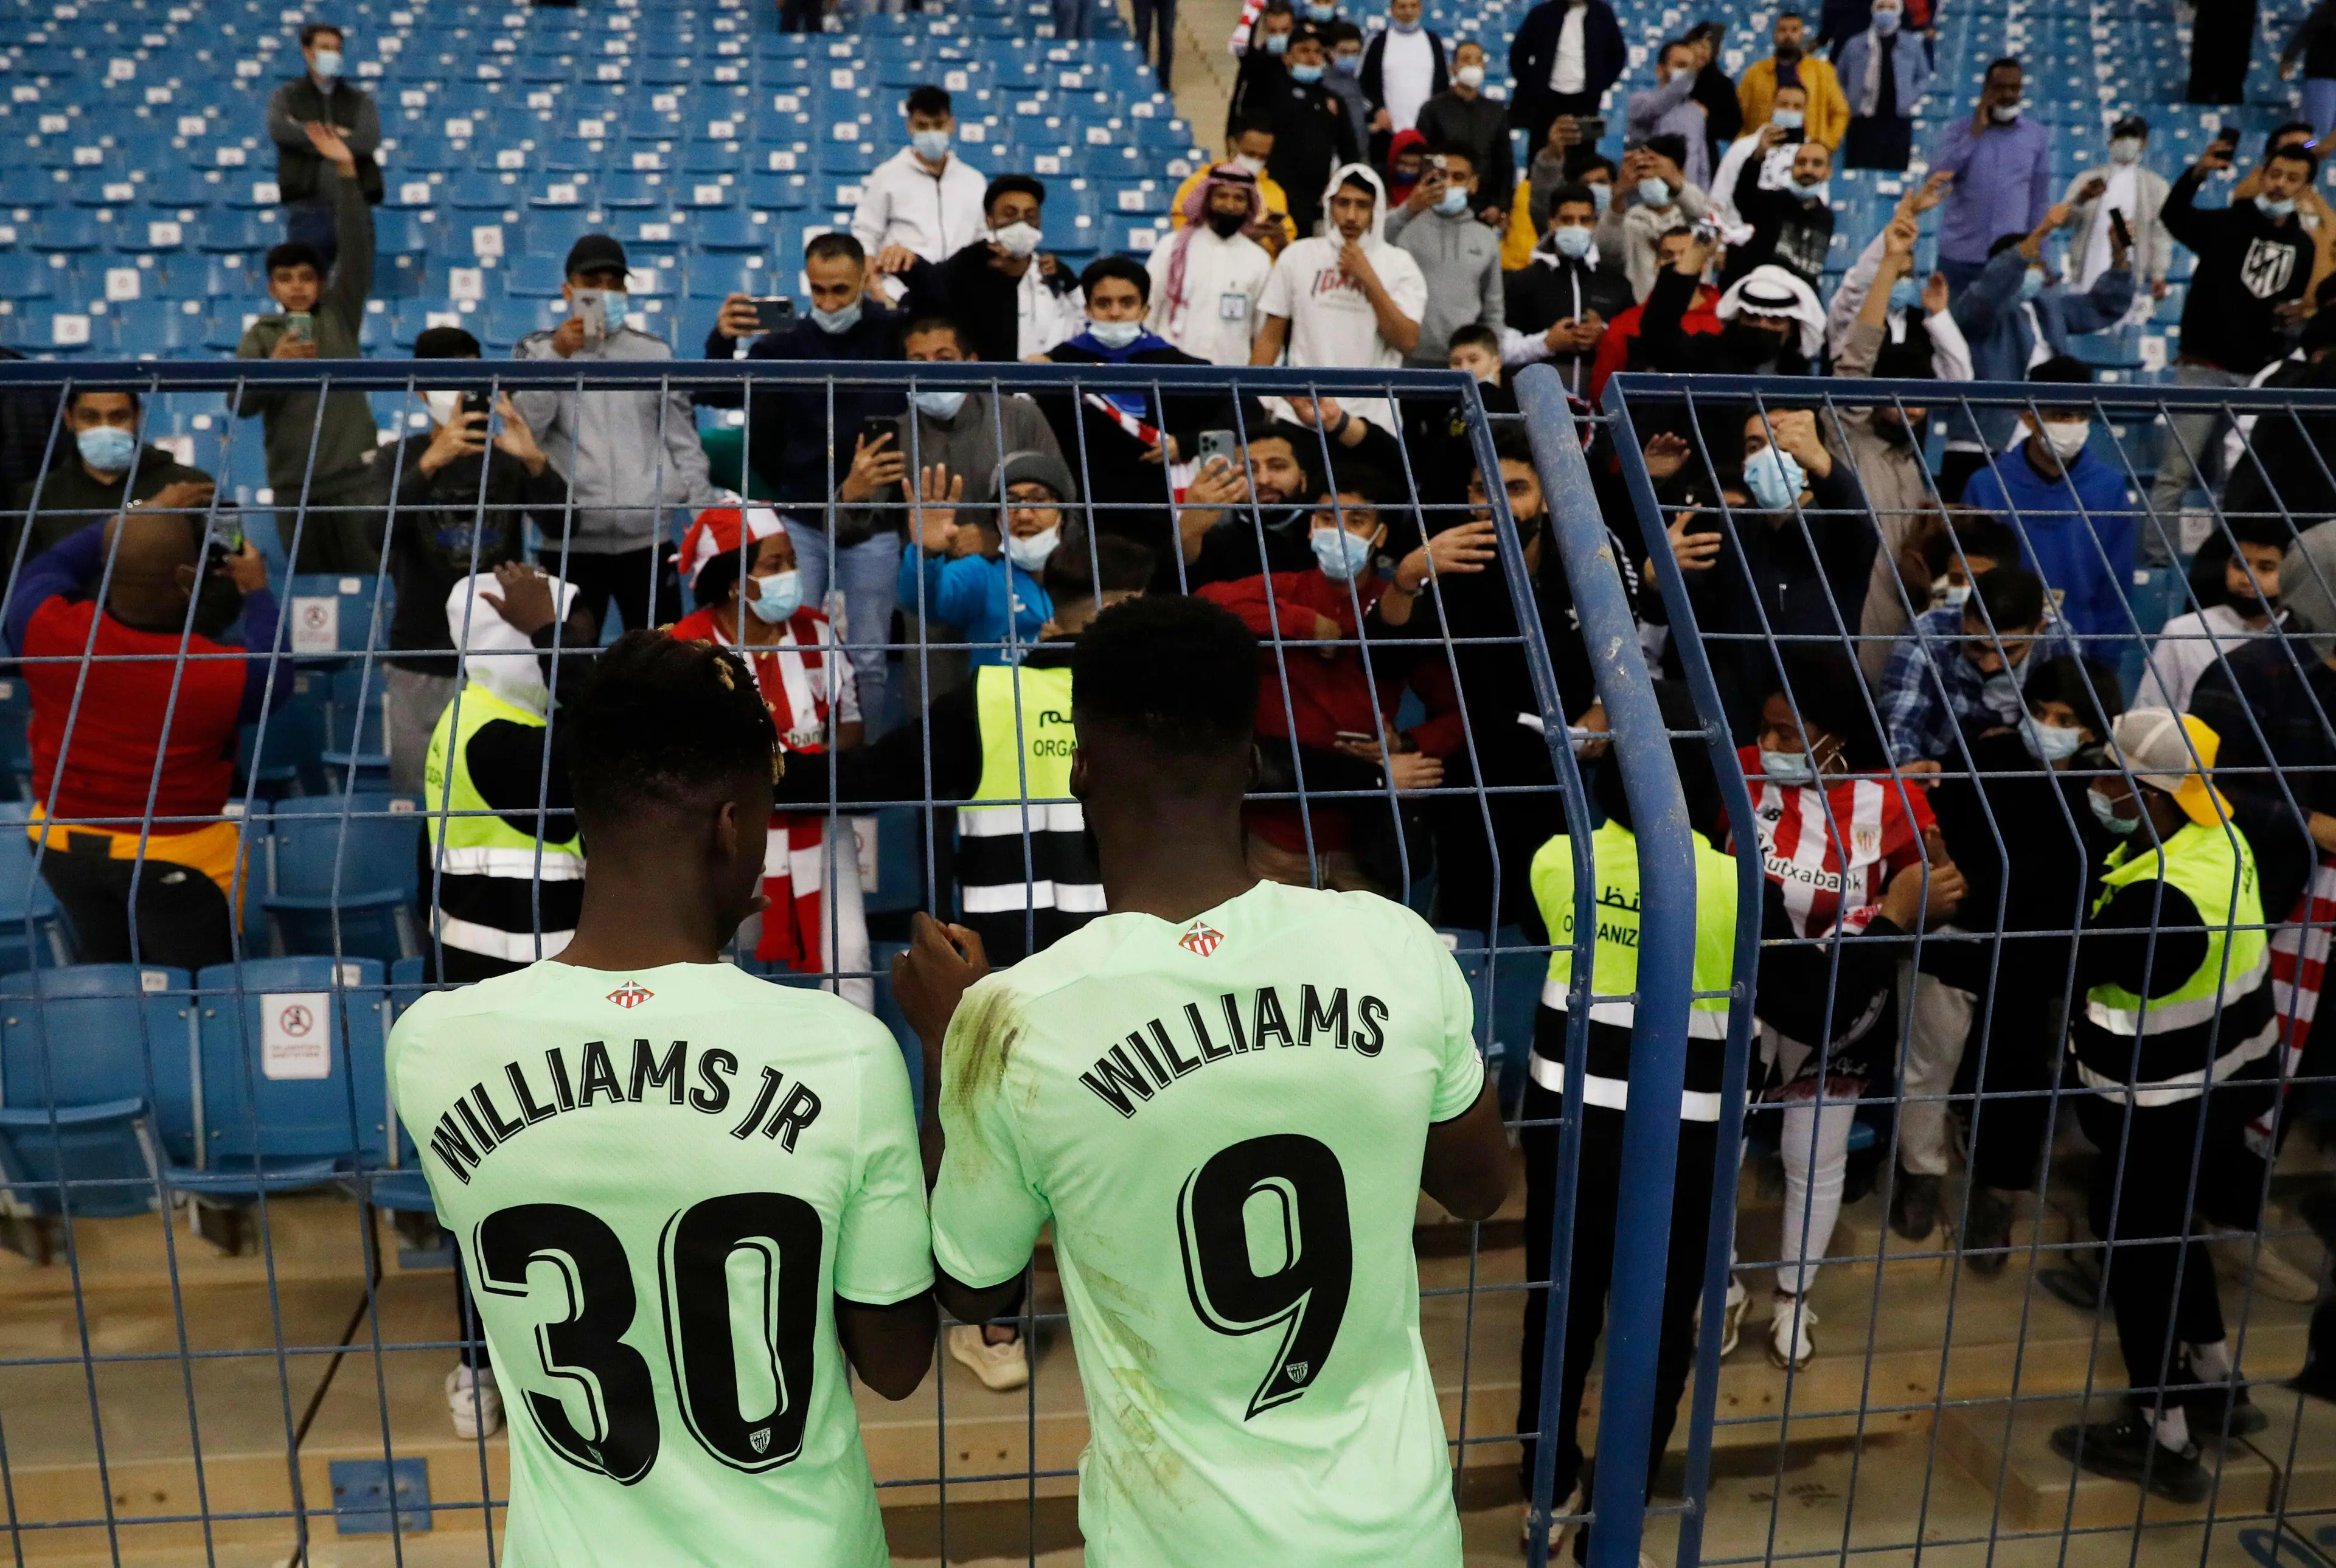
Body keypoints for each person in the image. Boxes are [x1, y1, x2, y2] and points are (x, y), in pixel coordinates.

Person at [899, 592, 1510, 1567]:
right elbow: (1481, 1187)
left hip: (1177, 1543)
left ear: (1079, 769)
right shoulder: (1387, 940)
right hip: (1400, 1533)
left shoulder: (1021, 1018)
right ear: (1253, 759)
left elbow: (974, 1291)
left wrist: (950, 1047)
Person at [388, 631, 937, 1566]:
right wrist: (946, 1062)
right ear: (733, 826)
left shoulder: (433, 1046)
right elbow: (894, 1362)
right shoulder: (844, 1051)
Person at [1517, 681, 1735, 1559]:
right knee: (1662, 1317)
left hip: (1567, 1121)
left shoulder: (1555, 859)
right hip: (1682, 1130)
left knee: (1559, 1304)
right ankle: (1621, 1507)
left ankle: (1547, 1484)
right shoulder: (1728, 882)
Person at [2048, 710, 2279, 1502]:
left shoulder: (2164, 898)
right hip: (2228, 1078)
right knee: (2175, 1228)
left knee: (2138, 1249)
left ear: (2154, 794)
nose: (2096, 785)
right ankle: (2215, 1377)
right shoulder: (2217, 842)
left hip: (2164, 1100)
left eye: (2111, 774)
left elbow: (2070, 965)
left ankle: (2163, 1429)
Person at [1739, 650, 1961, 1366]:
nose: (1769, 748)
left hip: (1843, 999)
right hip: (1750, 993)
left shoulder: (1891, 799)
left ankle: (1791, 1301)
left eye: (1787, 734)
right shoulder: (1737, 772)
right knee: (1714, 1153)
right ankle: (1716, 1291)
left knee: (1816, 1156)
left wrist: (1917, 896)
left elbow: (1938, 886)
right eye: (1765, 730)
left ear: (1837, 735)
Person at [1908, 654, 2122, 1258]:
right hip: (1960, 937)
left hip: (2039, 957)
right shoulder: (1984, 760)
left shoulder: (2102, 789)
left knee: (2020, 1076)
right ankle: (1920, 1172)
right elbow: (1936, 834)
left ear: (2090, 732)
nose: (2046, 724)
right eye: (2038, 710)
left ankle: (1999, 1194)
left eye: (2064, 718)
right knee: (1927, 1063)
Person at [8, 504, 282, 971]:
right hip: (172, 855)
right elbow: (278, 668)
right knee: (200, 992)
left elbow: (48, 567)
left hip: (62, 845)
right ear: (185, 577)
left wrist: (135, 515)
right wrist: (256, 591)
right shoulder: (217, 672)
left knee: (116, 976)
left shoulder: (42, 625)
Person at [1196, 470, 1458, 886]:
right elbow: (1205, 603)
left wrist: (1408, 743)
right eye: (1326, 518)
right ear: (1310, 529)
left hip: (1365, 838)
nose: (1338, 531)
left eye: (1356, 521)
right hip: (1276, 835)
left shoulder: (1398, 609)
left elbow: (1457, 713)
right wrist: (1301, 622)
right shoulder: (1284, 591)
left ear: (1382, 536)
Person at [668, 507, 869, 1008]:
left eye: (793, 562)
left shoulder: (818, 632)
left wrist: (810, 775)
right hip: (723, 829)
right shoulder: (686, 647)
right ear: (736, 583)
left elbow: (851, 722)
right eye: (775, 565)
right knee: (708, 959)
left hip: (819, 818)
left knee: (852, 955)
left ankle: (855, 1073)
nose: (791, 576)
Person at [701, 234, 906, 721]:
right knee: (787, 646)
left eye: (841, 290)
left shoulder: (892, 332)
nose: (829, 302)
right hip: (800, 521)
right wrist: (722, 339)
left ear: (864, 279)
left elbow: (949, 325)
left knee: (871, 658)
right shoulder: (784, 343)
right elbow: (717, 392)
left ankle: (862, 774)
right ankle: (794, 756)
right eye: (819, 291)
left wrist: (908, 280)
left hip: (872, 520)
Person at [380, 327, 569, 799]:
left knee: (509, 794)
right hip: (421, 653)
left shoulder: (505, 459)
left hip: (502, 654)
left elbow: (567, 529)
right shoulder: (397, 458)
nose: (461, 390)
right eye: (447, 379)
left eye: (471, 376)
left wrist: (535, 461)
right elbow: (373, 538)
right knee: (421, 795)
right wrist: (428, 465)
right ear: (420, 390)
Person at [512, 235, 719, 637]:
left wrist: (704, 518)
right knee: (564, 668)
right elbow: (524, 432)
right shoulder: (536, 352)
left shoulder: (654, 354)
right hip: (569, 543)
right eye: (593, 281)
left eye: (615, 283)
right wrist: (557, 357)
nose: (604, 292)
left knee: (663, 663)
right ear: (568, 290)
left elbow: (683, 443)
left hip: (650, 543)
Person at [422, 566, 597, 981]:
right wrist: (548, 633)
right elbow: (609, 737)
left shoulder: (474, 713)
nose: (583, 653)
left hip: (497, 965)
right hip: (508, 975)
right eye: (567, 641)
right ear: (519, 644)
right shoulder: (497, 738)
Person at [2147, 136, 2320, 541]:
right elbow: (2173, 215)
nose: (2280, 184)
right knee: (2176, 474)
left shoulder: (2304, 246)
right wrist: (2198, 174)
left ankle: (2225, 568)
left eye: (2292, 178)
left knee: (2242, 482)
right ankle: (2155, 569)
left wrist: (2290, 319)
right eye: (2274, 174)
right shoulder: (2226, 223)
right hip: (2203, 368)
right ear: (2261, 175)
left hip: (2259, 378)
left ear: (2305, 189)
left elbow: (2284, 302)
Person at [1669, 399, 1875, 737]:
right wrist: (1658, 577)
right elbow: (1677, 613)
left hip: (1817, 729)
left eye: (1783, 443)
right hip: (1738, 728)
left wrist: (1827, 465)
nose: (1768, 456)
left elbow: (1860, 524)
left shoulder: (1840, 533)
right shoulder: (1728, 530)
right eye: (1755, 446)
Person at [231, 139, 380, 575]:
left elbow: (357, 249)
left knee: (373, 582)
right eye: (285, 279)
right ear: (271, 289)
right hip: (294, 489)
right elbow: (239, 405)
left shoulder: (340, 314)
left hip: (356, 483)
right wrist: (272, 368)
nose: (297, 286)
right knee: (311, 597)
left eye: (306, 277)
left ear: (320, 283)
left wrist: (348, 175)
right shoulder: (260, 337)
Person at [1037, 259, 1230, 549]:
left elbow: (1244, 407)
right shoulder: (1057, 362)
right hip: (1081, 513)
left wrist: (1187, 444)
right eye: (1104, 303)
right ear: (1088, 309)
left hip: (1155, 514)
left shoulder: (1177, 364)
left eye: (1127, 303)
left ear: (1145, 310)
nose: (1115, 313)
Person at [1939, 212, 2133, 498]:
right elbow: (1989, 293)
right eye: (2027, 262)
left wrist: (2119, 258)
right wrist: (2040, 233)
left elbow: (2103, 306)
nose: (2036, 270)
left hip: (2042, 444)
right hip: (1985, 444)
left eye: (2039, 263)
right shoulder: (1976, 309)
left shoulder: (2048, 308)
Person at [1960, 359, 2142, 647]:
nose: (2072, 426)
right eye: (2061, 416)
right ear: (2028, 417)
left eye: (2080, 416)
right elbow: (1967, 582)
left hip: (2080, 654)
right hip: (1998, 649)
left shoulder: (2110, 488)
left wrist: (2105, 660)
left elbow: (2116, 586)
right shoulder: (1986, 486)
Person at [1252, 165, 1428, 435]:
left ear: (1376, 211)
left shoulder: (1399, 265)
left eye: (1362, 206)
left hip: (1372, 423)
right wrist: (1252, 403)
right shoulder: (1298, 256)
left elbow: (1407, 341)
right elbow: (1270, 338)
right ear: (1329, 205)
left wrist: (1370, 280)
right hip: (1301, 417)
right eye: (1343, 204)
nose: (1351, 216)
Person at [1876, 563, 2076, 768]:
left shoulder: (2058, 642)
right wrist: (1912, 767)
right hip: (1937, 764)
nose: (1989, 665)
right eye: (1976, 645)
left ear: (2038, 630)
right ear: (1964, 615)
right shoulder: (1927, 635)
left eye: (2007, 652)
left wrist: (2019, 738)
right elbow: (1899, 721)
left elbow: (2071, 721)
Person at [899, 449, 1071, 667]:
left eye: (1039, 499)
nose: (1024, 514)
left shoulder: (1090, 571)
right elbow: (922, 603)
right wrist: (926, 554)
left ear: (1063, 514)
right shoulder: (982, 574)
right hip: (1000, 701)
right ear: (997, 518)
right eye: (1010, 502)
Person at [4, 389, 214, 569]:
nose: (105, 428)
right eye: (90, 417)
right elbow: (25, 580)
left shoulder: (191, 484)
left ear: (137, 416)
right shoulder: (39, 496)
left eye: (118, 417)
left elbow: (231, 553)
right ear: (69, 419)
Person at [895, 175, 1083, 366]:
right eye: (1010, 214)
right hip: (983, 391)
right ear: (990, 220)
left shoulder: (1057, 277)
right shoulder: (966, 270)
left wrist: (1069, 282)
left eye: (1030, 215)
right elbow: (930, 290)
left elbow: (1085, 327)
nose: (1021, 223)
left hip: (1044, 390)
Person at [2136, 516, 2290, 713]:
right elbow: (2148, 715)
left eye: (2266, 568)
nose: (2248, 578)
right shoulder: (2184, 632)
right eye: (2239, 565)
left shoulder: (2306, 633)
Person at [266, 20, 381, 270]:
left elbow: (365, 141)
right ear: (308, 52)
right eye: (325, 47)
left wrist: (307, 133)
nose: (332, 54)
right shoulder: (286, 96)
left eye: (336, 49)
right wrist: (335, 137)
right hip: (307, 209)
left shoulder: (360, 100)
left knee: (353, 290)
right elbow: (281, 131)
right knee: (310, 288)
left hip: (354, 209)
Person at [1929, 58, 2051, 293]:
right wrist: (1975, 133)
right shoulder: (1959, 131)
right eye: (2000, 87)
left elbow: (2038, 202)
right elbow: (1937, 179)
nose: (2007, 94)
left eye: (2014, 88)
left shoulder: (2036, 137)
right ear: (1986, 90)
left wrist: (2040, 254)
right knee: (1948, 328)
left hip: (2009, 260)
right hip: (1959, 259)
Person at [1502, 182, 1633, 397]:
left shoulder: (1616, 284)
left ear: (1595, 224)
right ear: (1552, 223)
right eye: (1567, 220)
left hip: (1601, 405)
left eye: (1584, 220)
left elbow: (1634, 347)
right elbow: (1503, 351)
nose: (1576, 227)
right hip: (1538, 401)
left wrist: (1605, 338)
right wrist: (1547, 343)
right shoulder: (1522, 281)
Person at [1385, 145, 1505, 369]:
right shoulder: (1405, 225)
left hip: (1463, 363)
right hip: (1405, 359)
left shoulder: (1486, 238)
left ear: (1473, 184)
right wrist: (1410, 208)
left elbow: (1493, 308)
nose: (1448, 184)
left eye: (1458, 177)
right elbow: (1372, 242)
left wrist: (1495, 361)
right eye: (1442, 176)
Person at [852, 86, 989, 283]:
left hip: (960, 295)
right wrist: (877, 289)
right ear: (910, 127)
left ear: (952, 125)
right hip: (902, 292)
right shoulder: (887, 176)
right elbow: (866, 234)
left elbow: (982, 240)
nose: (931, 133)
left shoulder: (974, 181)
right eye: (923, 126)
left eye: (938, 125)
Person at [1149, 166, 1277, 365]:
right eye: (1222, 196)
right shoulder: (1172, 248)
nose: (1230, 205)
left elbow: (1263, 332)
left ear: (1248, 205)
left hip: (1230, 378)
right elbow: (1149, 311)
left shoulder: (1258, 259)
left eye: (1239, 199)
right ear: (1207, 199)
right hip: (1171, 374)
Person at [1587, 224, 1722, 402]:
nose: (1677, 261)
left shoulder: (1725, 320)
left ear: (1702, 261)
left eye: (1686, 254)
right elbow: (1602, 393)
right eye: (1668, 255)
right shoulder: (1626, 323)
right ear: (1657, 263)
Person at [2063, 117, 2173, 318]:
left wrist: (2158, 274)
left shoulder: (2156, 187)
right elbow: (2063, 221)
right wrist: (2082, 198)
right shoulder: (2088, 179)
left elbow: (2160, 237)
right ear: (2111, 140)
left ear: (2144, 142)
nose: (2126, 141)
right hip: (2086, 271)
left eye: (2133, 136)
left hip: (2129, 276)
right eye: (2121, 136)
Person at [1267, 29, 1359, 239]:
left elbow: (1350, 153)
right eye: (1304, 51)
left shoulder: (1333, 101)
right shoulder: (1272, 94)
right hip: (1277, 196)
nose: (1312, 57)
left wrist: (1341, 189)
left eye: (1317, 51)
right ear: (1287, 57)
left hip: (1317, 201)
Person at [1507, 0, 1627, 159]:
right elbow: (1518, 55)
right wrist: (1534, 86)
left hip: (1586, 101)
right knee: (1541, 155)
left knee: (1582, 160)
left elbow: (1617, 56)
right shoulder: (1541, 14)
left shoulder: (1603, 14)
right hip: (1546, 100)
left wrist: (1598, 85)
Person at [1594, 137, 1710, 300]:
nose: (1653, 178)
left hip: (1691, 311)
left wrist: (1675, 183)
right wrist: (1619, 194)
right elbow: (1606, 251)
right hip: (1640, 313)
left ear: (1681, 173)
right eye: (1646, 170)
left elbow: (1705, 217)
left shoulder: (1692, 217)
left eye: (1660, 171)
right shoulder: (1628, 221)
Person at [1415, 41, 1515, 222]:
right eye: (1466, 59)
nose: (1472, 64)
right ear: (1453, 68)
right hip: (1441, 202)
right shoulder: (1433, 109)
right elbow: (1422, 158)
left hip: (1483, 209)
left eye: (1478, 60)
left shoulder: (1496, 113)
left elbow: (1505, 164)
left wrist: (1500, 205)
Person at [1169, 122, 1299, 254]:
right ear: (1232, 144)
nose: (1256, 161)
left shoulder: (1275, 191)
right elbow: (1183, 237)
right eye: (1250, 154)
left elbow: (1287, 251)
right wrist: (1240, 239)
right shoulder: (1200, 182)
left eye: (1263, 157)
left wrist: (1281, 243)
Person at [1722, 134, 1834, 288]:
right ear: (1792, 168)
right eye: (1801, 163)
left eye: (1817, 164)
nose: (1808, 170)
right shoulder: (1772, 202)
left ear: (1829, 172)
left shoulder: (1827, 218)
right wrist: (1758, 156)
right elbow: (1743, 197)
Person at [1835, 0, 1927, 170]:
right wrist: (1850, 99)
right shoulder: (1854, 44)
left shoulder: (1911, 44)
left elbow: (1923, 77)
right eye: (1881, 7)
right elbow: (1839, 77)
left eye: (1891, 7)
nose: (1886, 11)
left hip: (1898, 121)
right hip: (1862, 120)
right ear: (1873, 10)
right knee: (1859, 167)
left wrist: (1910, 97)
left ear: (1899, 11)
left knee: (1895, 169)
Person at [1737, 12, 1849, 150]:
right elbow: (1738, 116)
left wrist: (1827, 145)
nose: (1788, 35)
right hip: (1764, 151)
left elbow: (1840, 113)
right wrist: (1746, 149)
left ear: (1802, 35)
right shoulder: (1755, 73)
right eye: (1783, 30)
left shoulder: (1823, 71)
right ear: (1775, 35)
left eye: (1794, 30)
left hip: (1808, 152)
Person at [1710, 82, 1813, 228]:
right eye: (1784, 105)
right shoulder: (1743, 148)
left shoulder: (1811, 152)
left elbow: (1818, 201)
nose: (1790, 111)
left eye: (1797, 107)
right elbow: (1720, 198)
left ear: (1805, 111)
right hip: (1743, 234)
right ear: (1772, 106)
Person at [1627, 39, 1712, 193]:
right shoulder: (1640, 101)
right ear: (1660, 70)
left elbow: (1702, 164)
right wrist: (1691, 73)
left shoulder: (1695, 111)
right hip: (1649, 198)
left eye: (1689, 67)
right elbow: (1658, 106)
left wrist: (1704, 199)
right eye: (1680, 66)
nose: (1687, 74)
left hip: (1686, 199)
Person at [1361, 0, 1448, 141]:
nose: (1408, 12)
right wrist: (1377, 110)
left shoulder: (1433, 42)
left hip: (1426, 134)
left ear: (1420, 9)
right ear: (1392, 10)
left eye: (1413, 6)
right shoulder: (1378, 42)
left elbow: (1443, 85)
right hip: (1387, 133)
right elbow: (1363, 84)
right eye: (1402, 7)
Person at [1228, 1, 1298, 142]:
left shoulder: (1305, 64)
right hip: (1263, 138)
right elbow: (1238, 102)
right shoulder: (1255, 63)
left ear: (1293, 29)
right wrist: (1231, 135)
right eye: (1273, 31)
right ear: (1265, 30)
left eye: (1285, 30)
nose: (1279, 36)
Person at [1683, 22, 1742, 168]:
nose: (1701, 52)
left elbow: (1732, 127)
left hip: (1705, 157)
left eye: (1708, 47)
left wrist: (1703, 119)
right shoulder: (1673, 75)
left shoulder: (1722, 84)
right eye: (1699, 45)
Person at [2282, 0, 2336, 146]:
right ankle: (2309, 159)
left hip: (2323, 77)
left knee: (2330, 139)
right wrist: (2288, 59)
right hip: (2323, 77)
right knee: (2317, 133)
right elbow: (2305, 33)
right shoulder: (2328, 10)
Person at [1323, 21, 1374, 155]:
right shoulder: (1321, 83)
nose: (1350, 57)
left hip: (1360, 153)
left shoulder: (1362, 80)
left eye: (1355, 52)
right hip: (1331, 155)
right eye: (1344, 52)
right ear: (1330, 51)